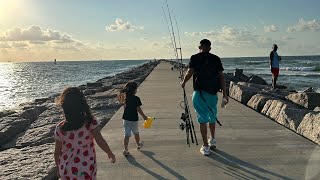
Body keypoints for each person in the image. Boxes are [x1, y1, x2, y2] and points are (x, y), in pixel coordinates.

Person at [54, 87, 115, 180]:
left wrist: (58, 168)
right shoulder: (90, 122)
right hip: (85, 168)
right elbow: (100, 140)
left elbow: (57, 152)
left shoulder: (60, 128)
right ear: (82, 105)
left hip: (66, 169)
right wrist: (109, 152)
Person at [181, 39, 228, 156]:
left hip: (200, 93)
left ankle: (205, 147)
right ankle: (212, 139)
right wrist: (225, 93)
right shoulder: (216, 59)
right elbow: (221, 77)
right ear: (210, 48)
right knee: (212, 116)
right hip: (213, 94)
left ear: (199, 47)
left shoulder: (195, 58)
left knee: (202, 118)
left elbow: (190, 72)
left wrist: (183, 82)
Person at [118, 81, 148, 156]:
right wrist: (144, 116)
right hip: (134, 119)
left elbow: (122, 104)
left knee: (126, 134)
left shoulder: (125, 98)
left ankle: (125, 149)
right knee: (136, 132)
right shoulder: (136, 98)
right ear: (134, 90)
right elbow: (138, 109)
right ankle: (138, 144)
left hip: (126, 118)